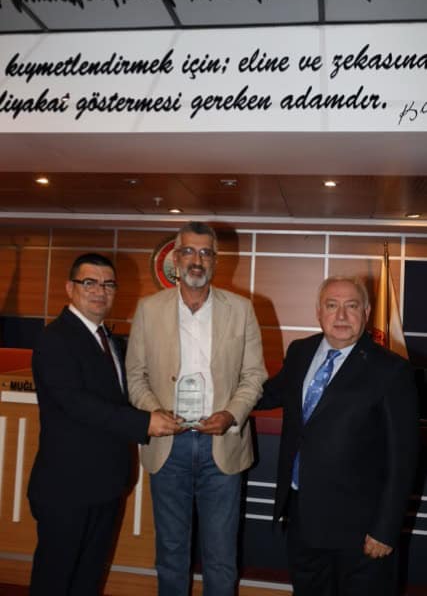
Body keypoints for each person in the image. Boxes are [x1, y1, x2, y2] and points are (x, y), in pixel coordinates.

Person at [126, 221, 267, 596]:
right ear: (175, 258)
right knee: (171, 554)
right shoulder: (148, 309)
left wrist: (231, 414)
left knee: (221, 557)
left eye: (205, 252)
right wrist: (155, 413)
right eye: (188, 251)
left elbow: (254, 375)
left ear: (215, 261)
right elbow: (135, 376)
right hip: (167, 446)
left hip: (221, 446)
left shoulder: (241, 310)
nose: (196, 260)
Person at [28, 253, 181, 596]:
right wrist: (145, 422)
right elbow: (77, 403)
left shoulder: (109, 341)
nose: (100, 291)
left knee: (87, 580)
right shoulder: (55, 339)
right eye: (89, 283)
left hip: (106, 484)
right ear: (70, 288)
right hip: (67, 488)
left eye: (108, 284)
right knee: (55, 580)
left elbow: (119, 396)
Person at [257, 275, 419, 596]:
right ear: (318, 312)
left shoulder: (391, 370)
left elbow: (403, 458)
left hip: (360, 531)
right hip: (303, 519)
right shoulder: (300, 351)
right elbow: (267, 394)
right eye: (332, 306)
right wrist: (219, 392)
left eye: (351, 306)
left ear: (366, 312)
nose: (341, 315)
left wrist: (385, 529)